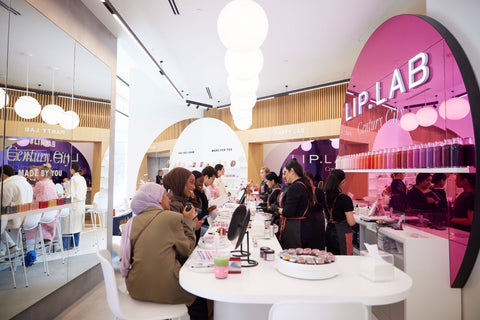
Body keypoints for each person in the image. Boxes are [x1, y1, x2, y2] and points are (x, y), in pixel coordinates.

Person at [121, 183, 208, 319]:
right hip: (165, 289)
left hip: (136, 288)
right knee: (201, 300)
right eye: (166, 196)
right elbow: (187, 249)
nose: (169, 199)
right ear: (157, 200)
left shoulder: (132, 222)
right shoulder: (171, 217)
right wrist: (188, 222)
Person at [277, 159, 313, 249]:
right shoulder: (301, 184)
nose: (284, 176)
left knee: (293, 254)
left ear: (292, 171)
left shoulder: (296, 187)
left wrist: (277, 209)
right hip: (301, 227)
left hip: (296, 229)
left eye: (285, 172)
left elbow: (288, 212)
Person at [0, 165, 34, 257]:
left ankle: (10, 245)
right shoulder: (25, 183)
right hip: (27, 218)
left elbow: (2, 204)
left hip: (15, 219)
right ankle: (11, 245)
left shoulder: (7, 185)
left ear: (3, 176)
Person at [324, 169, 355, 255]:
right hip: (342, 235)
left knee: (332, 258)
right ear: (342, 182)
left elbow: (326, 216)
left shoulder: (325, 197)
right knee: (345, 260)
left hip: (329, 232)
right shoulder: (345, 199)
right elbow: (351, 222)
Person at [163, 167, 203, 232]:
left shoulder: (182, 199)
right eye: (191, 182)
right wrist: (192, 226)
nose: (194, 187)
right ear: (180, 182)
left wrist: (193, 198)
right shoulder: (172, 205)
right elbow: (179, 236)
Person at [28, 164, 59, 242]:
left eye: (37, 173)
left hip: (41, 214)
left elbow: (32, 196)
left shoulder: (40, 184)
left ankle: (28, 244)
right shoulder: (52, 184)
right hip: (52, 215)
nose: (36, 175)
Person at [61, 163, 87, 250]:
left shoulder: (73, 179)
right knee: (77, 226)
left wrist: (63, 196)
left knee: (67, 225)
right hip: (80, 205)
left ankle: (66, 246)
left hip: (74, 205)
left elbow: (70, 194)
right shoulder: (82, 178)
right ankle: (75, 244)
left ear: (72, 169)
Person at [190, 170, 216, 240]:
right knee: (211, 235)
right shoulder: (190, 194)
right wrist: (207, 210)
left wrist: (202, 194)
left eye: (202, 182)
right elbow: (197, 212)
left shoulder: (199, 192)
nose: (202, 184)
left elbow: (204, 206)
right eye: (200, 182)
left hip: (201, 223)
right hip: (195, 227)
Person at [303, 171, 326, 250]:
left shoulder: (318, 192)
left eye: (309, 181)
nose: (308, 183)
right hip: (306, 222)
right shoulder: (303, 192)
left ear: (312, 180)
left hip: (317, 222)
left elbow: (323, 206)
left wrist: (315, 203)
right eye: (305, 181)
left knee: (317, 244)